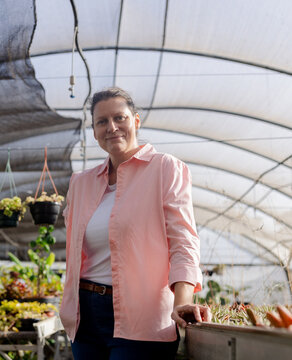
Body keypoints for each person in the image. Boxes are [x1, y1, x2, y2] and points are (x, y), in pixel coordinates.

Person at [60, 87, 211, 359]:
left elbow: (183, 242)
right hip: (85, 316)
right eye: (102, 122)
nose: (112, 127)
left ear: (136, 121)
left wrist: (183, 302)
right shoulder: (81, 183)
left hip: (142, 315)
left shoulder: (165, 168)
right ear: (94, 132)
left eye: (120, 118)